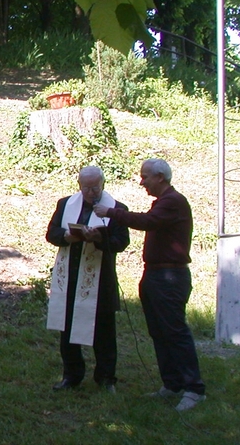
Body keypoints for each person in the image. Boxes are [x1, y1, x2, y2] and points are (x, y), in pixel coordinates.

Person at [93, 158, 206, 412]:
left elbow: (147, 222)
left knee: (175, 332)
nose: (141, 182)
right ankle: (173, 384)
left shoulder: (173, 202)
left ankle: (194, 389)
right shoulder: (164, 203)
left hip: (169, 277)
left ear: (161, 178)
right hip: (156, 275)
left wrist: (111, 212)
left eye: (145, 177)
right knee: (159, 331)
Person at [45, 166, 130, 393]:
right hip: (70, 275)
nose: (92, 192)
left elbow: (121, 243)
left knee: (104, 331)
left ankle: (106, 378)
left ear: (103, 184)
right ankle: (71, 375)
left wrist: (99, 239)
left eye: (95, 187)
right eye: (87, 188)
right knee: (67, 328)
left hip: (100, 278)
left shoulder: (117, 209)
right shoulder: (65, 205)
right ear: (79, 185)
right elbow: (51, 233)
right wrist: (66, 236)